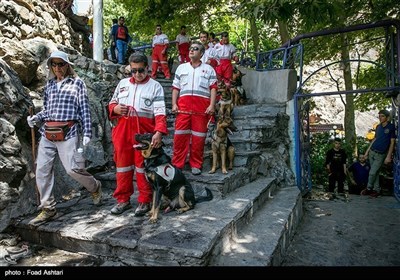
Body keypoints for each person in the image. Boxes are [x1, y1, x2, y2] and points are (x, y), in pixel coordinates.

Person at [26, 50, 102, 226]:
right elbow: (47, 110)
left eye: (61, 64)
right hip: (48, 132)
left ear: (67, 65)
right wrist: (35, 118)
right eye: (54, 64)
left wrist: (87, 133)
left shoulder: (77, 83)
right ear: (50, 67)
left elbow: (84, 108)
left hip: (69, 131)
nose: (58, 68)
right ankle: (48, 208)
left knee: (72, 169)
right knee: (42, 170)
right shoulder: (50, 85)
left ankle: (94, 186)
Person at [108, 52, 168, 216]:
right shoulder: (122, 83)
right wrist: (115, 108)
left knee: (142, 168)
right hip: (122, 131)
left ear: (147, 68)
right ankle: (123, 200)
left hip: (144, 134)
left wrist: (158, 132)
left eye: (140, 70)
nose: (137, 74)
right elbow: (112, 103)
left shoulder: (155, 86)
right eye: (133, 71)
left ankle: (144, 201)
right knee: (122, 167)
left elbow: (160, 113)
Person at [171, 41, 218, 175]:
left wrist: (212, 105)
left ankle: (196, 164)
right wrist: (174, 104)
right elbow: (176, 88)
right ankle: (177, 164)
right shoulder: (181, 68)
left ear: (202, 53)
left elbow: (213, 88)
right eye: (190, 48)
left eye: (195, 49)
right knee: (179, 137)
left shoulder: (209, 69)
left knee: (198, 139)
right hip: (183, 109)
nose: (191, 50)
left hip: (201, 110)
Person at [362, 109, 395, 197]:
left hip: (381, 154)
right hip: (372, 152)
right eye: (379, 116)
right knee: (375, 172)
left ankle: (369, 188)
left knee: (372, 172)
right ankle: (376, 190)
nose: (380, 118)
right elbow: (374, 139)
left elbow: (392, 142)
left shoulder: (391, 127)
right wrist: (367, 152)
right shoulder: (378, 127)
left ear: (387, 117)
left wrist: (388, 156)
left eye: (382, 116)